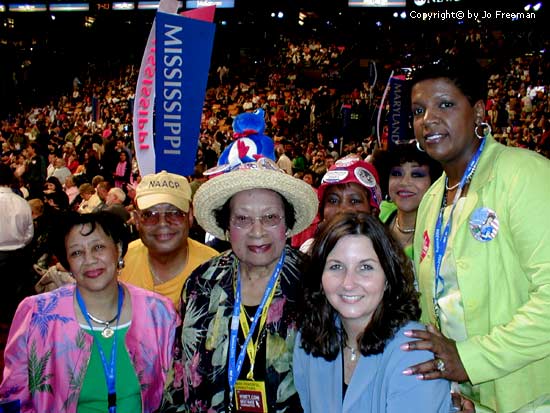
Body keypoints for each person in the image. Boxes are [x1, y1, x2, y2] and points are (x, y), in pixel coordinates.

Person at [402, 56, 550, 412]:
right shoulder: (432, 200)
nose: (429, 120)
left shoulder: (524, 174)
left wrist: (470, 359)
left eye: (446, 104)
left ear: (480, 113)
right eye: (419, 110)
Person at [160, 127, 318, 411]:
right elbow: (179, 381)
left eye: (270, 217)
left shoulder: (317, 283)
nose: (257, 232)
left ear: (287, 224)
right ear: (226, 226)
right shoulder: (201, 284)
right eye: (242, 219)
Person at [0, 211, 178, 412]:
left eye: (98, 247)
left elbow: (178, 393)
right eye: (76, 253)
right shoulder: (37, 315)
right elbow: (13, 398)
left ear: (118, 249)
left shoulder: (159, 313)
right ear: (67, 263)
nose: (90, 260)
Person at [293, 212, 452, 412]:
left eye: (365, 267)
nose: (348, 283)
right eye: (336, 266)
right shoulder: (309, 339)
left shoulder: (414, 351)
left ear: (388, 276)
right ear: (320, 277)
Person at [120, 170, 219, 308]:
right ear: (136, 220)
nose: (162, 223)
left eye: (175, 213)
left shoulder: (214, 269)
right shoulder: (121, 262)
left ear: (190, 216)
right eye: (150, 214)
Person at [298, 155, 382, 253]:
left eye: (354, 201)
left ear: (373, 211)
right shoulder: (308, 251)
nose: (342, 210)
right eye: (333, 201)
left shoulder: (384, 257)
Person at [374, 143, 442, 258]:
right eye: (396, 174)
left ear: (434, 181)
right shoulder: (380, 214)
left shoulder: (440, 231)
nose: (404, 182)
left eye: (417, 175)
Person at [0, 163, 34, 328]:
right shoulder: (22, 202)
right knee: (15, 300)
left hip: (4, 255)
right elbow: (29, 233)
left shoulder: (21, 202)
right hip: (19, 254)